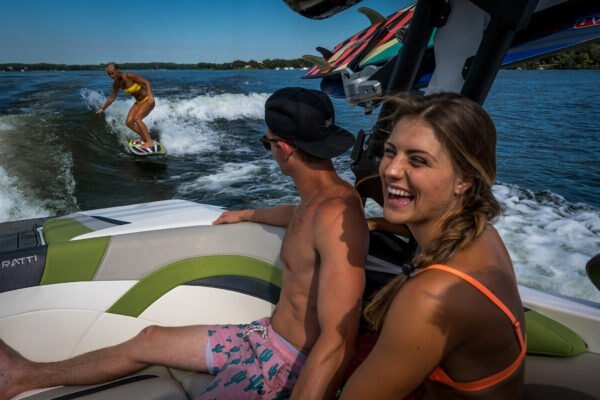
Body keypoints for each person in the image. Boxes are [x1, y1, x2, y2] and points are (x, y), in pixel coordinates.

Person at [0, 87, 369, 400]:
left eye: (267, 142)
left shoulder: (337, 213)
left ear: (284, 148)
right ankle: (26, 376)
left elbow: (339, 339)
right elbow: (298, 215)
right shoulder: (317, 200)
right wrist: (245, 214)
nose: (269, 150)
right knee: (149, 339)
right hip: (260, 336)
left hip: (283, 365)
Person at [341, 92, 525, 399]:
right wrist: (376, 223)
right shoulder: (482, 233)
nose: (391, 170)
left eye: (418, 160)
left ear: (464, 180)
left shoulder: (430, 297)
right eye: (390, 152)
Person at [96, 62, 156, 149]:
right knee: (129, 122)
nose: (111, 76)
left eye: (112, 73)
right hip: (138, 102)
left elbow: (146, 82)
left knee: (137, 119)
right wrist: (102, 108)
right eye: (109, 74)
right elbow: (111, 98)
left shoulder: (129, 76)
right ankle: (143, 137)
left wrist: (150, 95)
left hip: (148, 99)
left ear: (117, 70)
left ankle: (149, 142)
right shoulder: (116, 84)